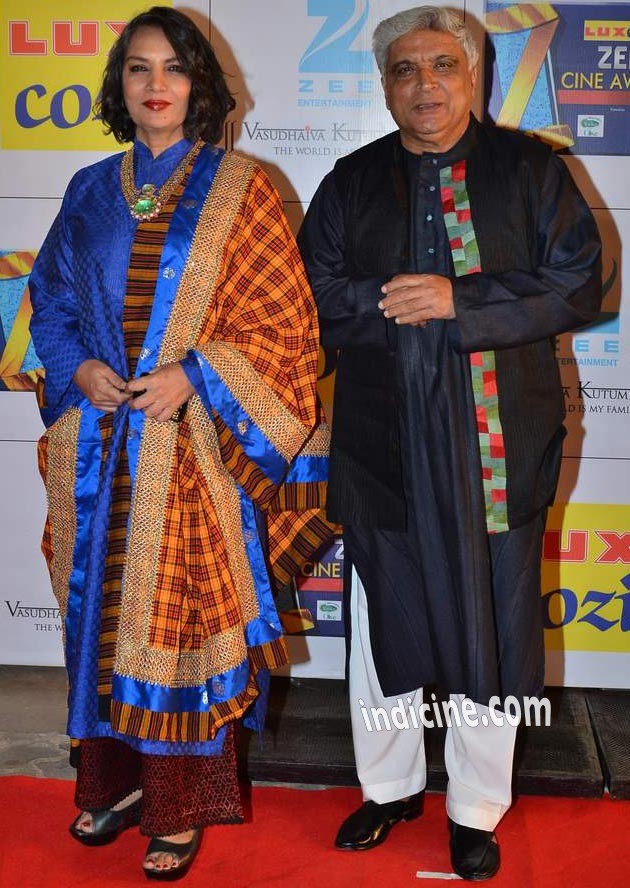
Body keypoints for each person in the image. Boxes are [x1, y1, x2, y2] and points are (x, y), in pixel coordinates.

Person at [298, 5, 602, 881]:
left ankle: (474, 808)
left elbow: (579, 278)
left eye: (443, 66)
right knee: (379, 619)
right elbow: (314, 291)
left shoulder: (531, 172)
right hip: (383, 443)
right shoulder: (352, 181)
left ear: (473, 76)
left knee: (496, 629)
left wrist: (460, 300)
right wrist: (399, 300)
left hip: (498, 444)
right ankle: (387, 788)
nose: (425, 84)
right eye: (405, 69)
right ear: (384, 83)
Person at [29, 6, 330, 880]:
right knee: (100, 621)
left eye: (174, 70)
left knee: (178, 632)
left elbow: (284, 327)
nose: (155, 86)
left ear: (200, 86)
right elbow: (47, 300)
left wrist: (194, 376)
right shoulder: (90, 187)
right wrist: (78, 367)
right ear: (120, 86)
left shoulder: (247, 185)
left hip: (194, 448)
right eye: (138, 70)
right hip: (96, 450)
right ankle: (117, 786)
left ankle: (179, 807)